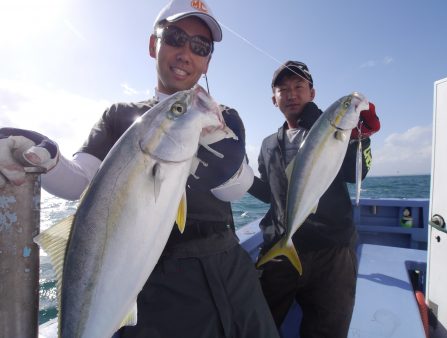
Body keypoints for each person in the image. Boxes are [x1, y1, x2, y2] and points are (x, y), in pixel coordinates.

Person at [0, 1, 280, 337]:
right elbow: (79, 183)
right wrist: (47, 161)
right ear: (153, 45)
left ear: (207, 62)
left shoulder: (224, 117)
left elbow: (234, 190)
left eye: (200, 47)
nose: (186, 53)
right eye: (175, 37)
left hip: (230, 270)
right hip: (148, 281)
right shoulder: (120, 116)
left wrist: (233, 169)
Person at [249, 60, 380, 338]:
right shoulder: (268, 145)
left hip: (332, 252)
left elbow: (356, 173)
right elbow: (270, 194)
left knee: (328, 331)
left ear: (313, 93)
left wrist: (361, 138)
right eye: (283, 89)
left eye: (299, 86)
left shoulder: (334, 130)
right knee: (260, 324)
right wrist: (240, 178)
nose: (291, 93)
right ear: (274, 99)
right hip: (281, 249)